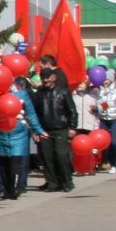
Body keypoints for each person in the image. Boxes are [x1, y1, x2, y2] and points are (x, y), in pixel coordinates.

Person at [0, 76, 44, 198]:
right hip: (0, 133)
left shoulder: (21, 94)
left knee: (16, 161)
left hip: (18, 132)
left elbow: (30, 113)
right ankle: (7, 189)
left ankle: (15, 188)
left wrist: (38, 129)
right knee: (3, 163)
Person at [30, 65, 77, 193]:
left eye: (48, 77)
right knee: (47, 157)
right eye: (43, 78)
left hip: (61, 129)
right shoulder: (39, 93)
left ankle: (67, 181)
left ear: (54, 77)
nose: (45, 80)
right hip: (45, 129)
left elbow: (72, 111)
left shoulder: (63, 91)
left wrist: (72, 127)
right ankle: (52, 183)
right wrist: (36, 130)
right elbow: (35, 113)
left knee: (61, 156)